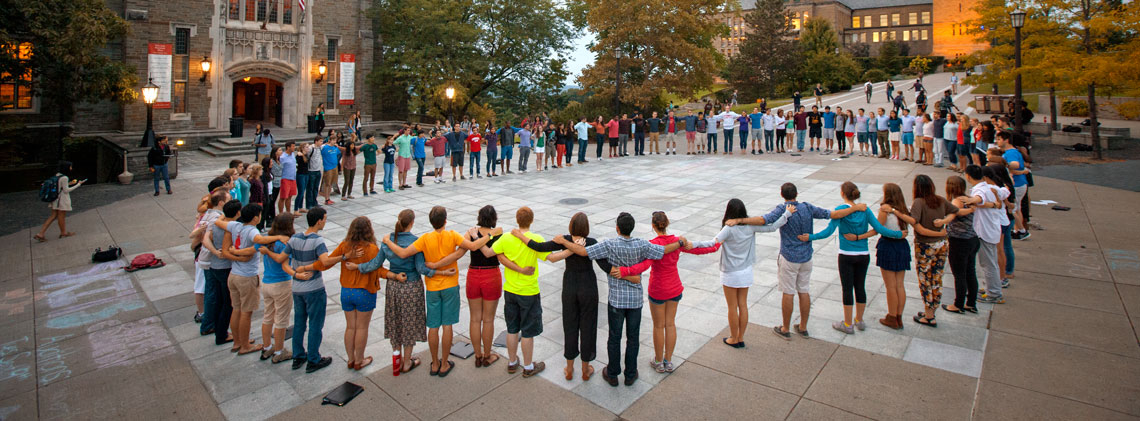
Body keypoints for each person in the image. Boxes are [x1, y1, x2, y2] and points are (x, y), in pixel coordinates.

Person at [556, 213, 681, 386]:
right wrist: (680, 243)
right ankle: (630, 374)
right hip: (635, 301)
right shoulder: (642, 244)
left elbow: (583, 252)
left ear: (617, 228)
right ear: (632, 228)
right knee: (633, 338)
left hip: (616, 300)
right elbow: (663, 250)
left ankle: (613, 373)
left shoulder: (609, 244)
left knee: (614, 338)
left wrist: (564, 242)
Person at [382, 206, 500, 377]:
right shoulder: (452, 235)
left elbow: (402, 253)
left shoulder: (424, 239)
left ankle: (435, 363)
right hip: (450, 285)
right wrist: (490, 234)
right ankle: (445, 363)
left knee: (434, 327)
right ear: (445, 221)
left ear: (431, 222)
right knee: (448, 326)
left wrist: (388, 241)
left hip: (432, 287)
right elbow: (473, 247)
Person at [739, 183, 864, 339]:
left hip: (789, 256)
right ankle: (803, 326)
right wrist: (854, 208)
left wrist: (741, 220)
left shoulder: (782, 209)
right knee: (804, 291)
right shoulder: (807, 207)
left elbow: (764, 220)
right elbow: (832, 214)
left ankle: (785, 328)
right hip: (806, 256)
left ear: (781, 194)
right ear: (797, 193)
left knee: (788, 292)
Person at [613, 212, 718, 372]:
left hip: (658, 289)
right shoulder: (677, 242)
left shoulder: (652, 244)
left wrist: (625, 271)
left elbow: (644, 266)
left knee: (658, 326)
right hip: (674, 287)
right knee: (670, 324)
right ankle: (668, 361)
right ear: (667, 224)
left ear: (653, 226)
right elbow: (699, 250)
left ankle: (658, 361)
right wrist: (717, 245)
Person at [518, 212, 617, 380]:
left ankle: (569, 368)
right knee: (588, 325)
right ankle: (586, 369)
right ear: (586, 227)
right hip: (588, 285)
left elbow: (538, 246)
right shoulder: (591, 242)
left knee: (570, 325)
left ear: (571, 226)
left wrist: (518, 235)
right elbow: (606, 266)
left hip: (570, 284)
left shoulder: (563, 240)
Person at [799, 182, 904, 334]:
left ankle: (847, 323)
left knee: (847, 288)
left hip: (846, 254)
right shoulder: (864, 209)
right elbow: (880, 229)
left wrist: (811, 237)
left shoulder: (841, 210)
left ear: (843, 193)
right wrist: (898, 234)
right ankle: (859, 320)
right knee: (860, 286)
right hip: (863, 254)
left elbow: (828, 231)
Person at [708, 201, 791, 346]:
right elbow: (772, 227)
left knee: (732, 307)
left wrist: (691, 245)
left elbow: (712, 243)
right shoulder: (750, 226)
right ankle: (740, 337)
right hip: (746, 270)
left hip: (730, 272)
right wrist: (787, 214)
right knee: (743, 305)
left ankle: (733, 338)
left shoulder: (728, 228)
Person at [492, 207, 563, 378]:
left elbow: (494, 253)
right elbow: (551, 258)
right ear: (531, 220)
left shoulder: (507, 237)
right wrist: (570, 249)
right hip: (529, 291)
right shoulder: (535, 239)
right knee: (528, 331)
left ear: (517, 219)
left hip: (510, 289)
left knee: (512, 328)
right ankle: (529, 365)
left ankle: (511, 362)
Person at [216, 203, 289, 354]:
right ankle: (245, 346)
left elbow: (218, 222)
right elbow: (260, 240)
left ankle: (238, 342)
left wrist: (235, 251)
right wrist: (279, 237)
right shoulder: (251, 230)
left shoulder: (235, 226)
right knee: (246, 312)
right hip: (246, 277)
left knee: (236, 309)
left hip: (234, 274)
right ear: (256, 218)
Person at [892, 175, 957, 328]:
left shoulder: (919, 202)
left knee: (925, 279)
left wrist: (896, 211)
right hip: (941, 245)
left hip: (925, 246)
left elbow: (915, 224)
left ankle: (929, 315)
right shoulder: (940, 199)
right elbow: (955, 211)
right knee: (937, 277)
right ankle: (931, 310)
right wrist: (944, 223)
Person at [280, 208, 333, 373]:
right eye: (324, 219)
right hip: (314, 288)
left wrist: (295, 273)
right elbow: (324, 262)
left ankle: (298, 356)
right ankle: (313, 359)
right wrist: (342, 256)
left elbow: (282, 260)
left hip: (297, 288)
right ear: (319, 221)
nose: (325, 221)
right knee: (315, 324)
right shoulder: (317, 241)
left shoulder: (295, 238)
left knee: (299, 323)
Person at [251, 214, 296, 363]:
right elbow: (280, 259)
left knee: (268, 316)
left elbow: (256, 246)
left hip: (267, 282)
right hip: (282, 283)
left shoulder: (267, 240)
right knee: (281, 319)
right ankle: (279, 351)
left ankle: (267, 347)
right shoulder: (285, 243)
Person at [940, 176, 979, 314]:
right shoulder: (968, 199)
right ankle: (971, 302)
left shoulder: (957, 201)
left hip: (960, 241)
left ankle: (958, 304)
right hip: (972, 239)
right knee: (970, 271)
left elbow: (956, 212)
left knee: (959, 274)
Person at [874, 183, 912, 329]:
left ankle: (892, 316)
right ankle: (899, 316)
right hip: (902, 245)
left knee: (890, 286)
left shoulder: (885, 210)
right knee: (899, 284)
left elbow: (879, 227)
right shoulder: (904, 210)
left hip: (888, 245)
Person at [997, 131, 1031, 240]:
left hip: (1016, 184)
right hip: (1020, 183)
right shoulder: (1013, 151)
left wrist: (1004, 164)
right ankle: (1017, 230)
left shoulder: (1010, 153)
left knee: (1013, 208)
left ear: (1006, 140)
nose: (996, 141)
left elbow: (1015, 165)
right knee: (1017, 208)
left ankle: (1021, 230)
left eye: (999, 139)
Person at [319, 135, 342, 205]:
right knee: (327, 183)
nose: (334, 142)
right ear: (330, 140)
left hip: (335, 167)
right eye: (333, 140)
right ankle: (326, 198)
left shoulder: (335, 148)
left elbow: (339, 154)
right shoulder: (325, 148)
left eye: (335, 140)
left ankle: (328, 198)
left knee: (332, 183)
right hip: (328, 167)